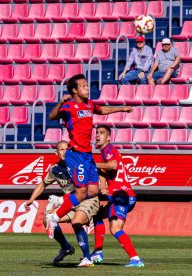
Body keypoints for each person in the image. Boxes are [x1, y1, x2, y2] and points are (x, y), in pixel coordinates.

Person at [46, 74, 132, 249]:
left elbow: (103, 110)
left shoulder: (89, 105)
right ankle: (54, 219)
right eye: (84, 86)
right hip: (76, 154)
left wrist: (122, 108)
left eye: (87, 85)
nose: (87, 88)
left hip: (87, 155)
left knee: (93, 191)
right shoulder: (69, 106)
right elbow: (52, 117)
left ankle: (60, 201)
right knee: (81, 191)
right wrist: (61, 103)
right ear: (74, 90)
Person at [25, 141, 100, 267]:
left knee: (76, 222)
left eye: (67, 149)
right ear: (56, 153)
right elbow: (43, 184)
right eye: (61, 149)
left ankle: (87, 258)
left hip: (87, 199)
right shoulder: (55, 169)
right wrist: (31, 199)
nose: (65, 152)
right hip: (70, 202)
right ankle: (66, 248)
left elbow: (92, 181)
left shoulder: (78, 164)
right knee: (47, 219)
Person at [90, 125, 144, 268]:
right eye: (96, 133)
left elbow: (113, 165)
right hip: (120, 196)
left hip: (122, 195)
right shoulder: (103, 153)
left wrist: (91, 164)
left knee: (115, 228)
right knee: (98, 215)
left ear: (108, 137)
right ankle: (97, 252)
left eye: (101, 133)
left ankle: (135, 259)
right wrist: (103, 186)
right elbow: (103, 171)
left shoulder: (109, 150)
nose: (97, 135)